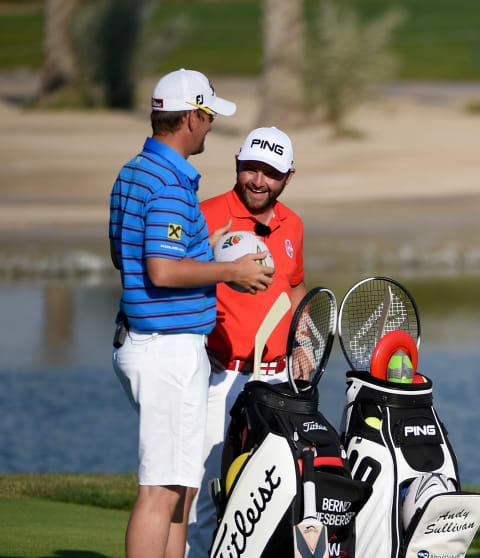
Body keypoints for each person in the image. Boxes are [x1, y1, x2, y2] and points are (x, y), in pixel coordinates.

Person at [109, 69, 274, 558]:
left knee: (181, 487)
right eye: (207, 117)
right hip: (167, 351)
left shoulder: (133, 171)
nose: (209, 127)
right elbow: (160, 269)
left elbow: (125, 256)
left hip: (150, 343)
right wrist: (231, 271)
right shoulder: (169, 182)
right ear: (192, 118)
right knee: (161, 490)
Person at [185, 126, 308, 557]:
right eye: (250, 168)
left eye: (270, 173)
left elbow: (293, 288)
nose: (257, 180)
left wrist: (304, 338)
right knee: (201, 495)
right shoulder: (204, 214)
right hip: (218, 376)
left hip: (276, 384)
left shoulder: (294, 224)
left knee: (271, 498)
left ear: (288, 176)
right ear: (237, 163)